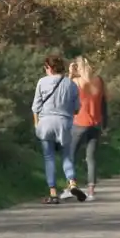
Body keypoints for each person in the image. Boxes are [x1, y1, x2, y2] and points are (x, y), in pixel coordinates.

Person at [31, 55, 86, 204]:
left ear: (48, 67)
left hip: (45, 123)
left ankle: (53, 193)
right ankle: (72, 183)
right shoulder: (71, 85)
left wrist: (37, 124)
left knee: (49, 158)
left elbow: (36, 107)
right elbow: (76, 109)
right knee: (67, 156)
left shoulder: (42, 82)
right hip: (64, 124)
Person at [70, 56, 109, 198]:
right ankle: (91, 191)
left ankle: (71, 186)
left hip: (79, 122)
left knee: (71, 156)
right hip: (96, 123)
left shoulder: (76, 82)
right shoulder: (99, 81)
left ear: (78, 67)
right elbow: (104, 103)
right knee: (91, 158)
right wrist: (105, 124)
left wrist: (70, 74)